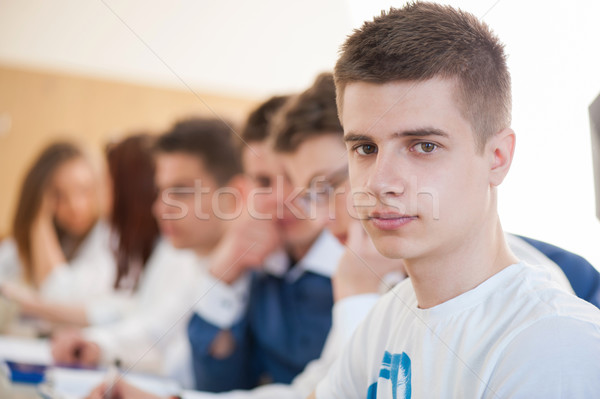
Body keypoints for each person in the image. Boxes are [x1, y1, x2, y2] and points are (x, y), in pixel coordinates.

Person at [310, 3, 600, 398]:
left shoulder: (554, 345)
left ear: (497, 157)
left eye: (424, 146)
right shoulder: (389, 314)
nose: (379, 183)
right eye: (365, 147)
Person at [0, 141, 114, 304]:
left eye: (84, 190)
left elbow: (57, 294)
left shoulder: (108, 237)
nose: (75, 206)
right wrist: (38, 217)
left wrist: (39, 222)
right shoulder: (51, 238)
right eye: (59, 195)